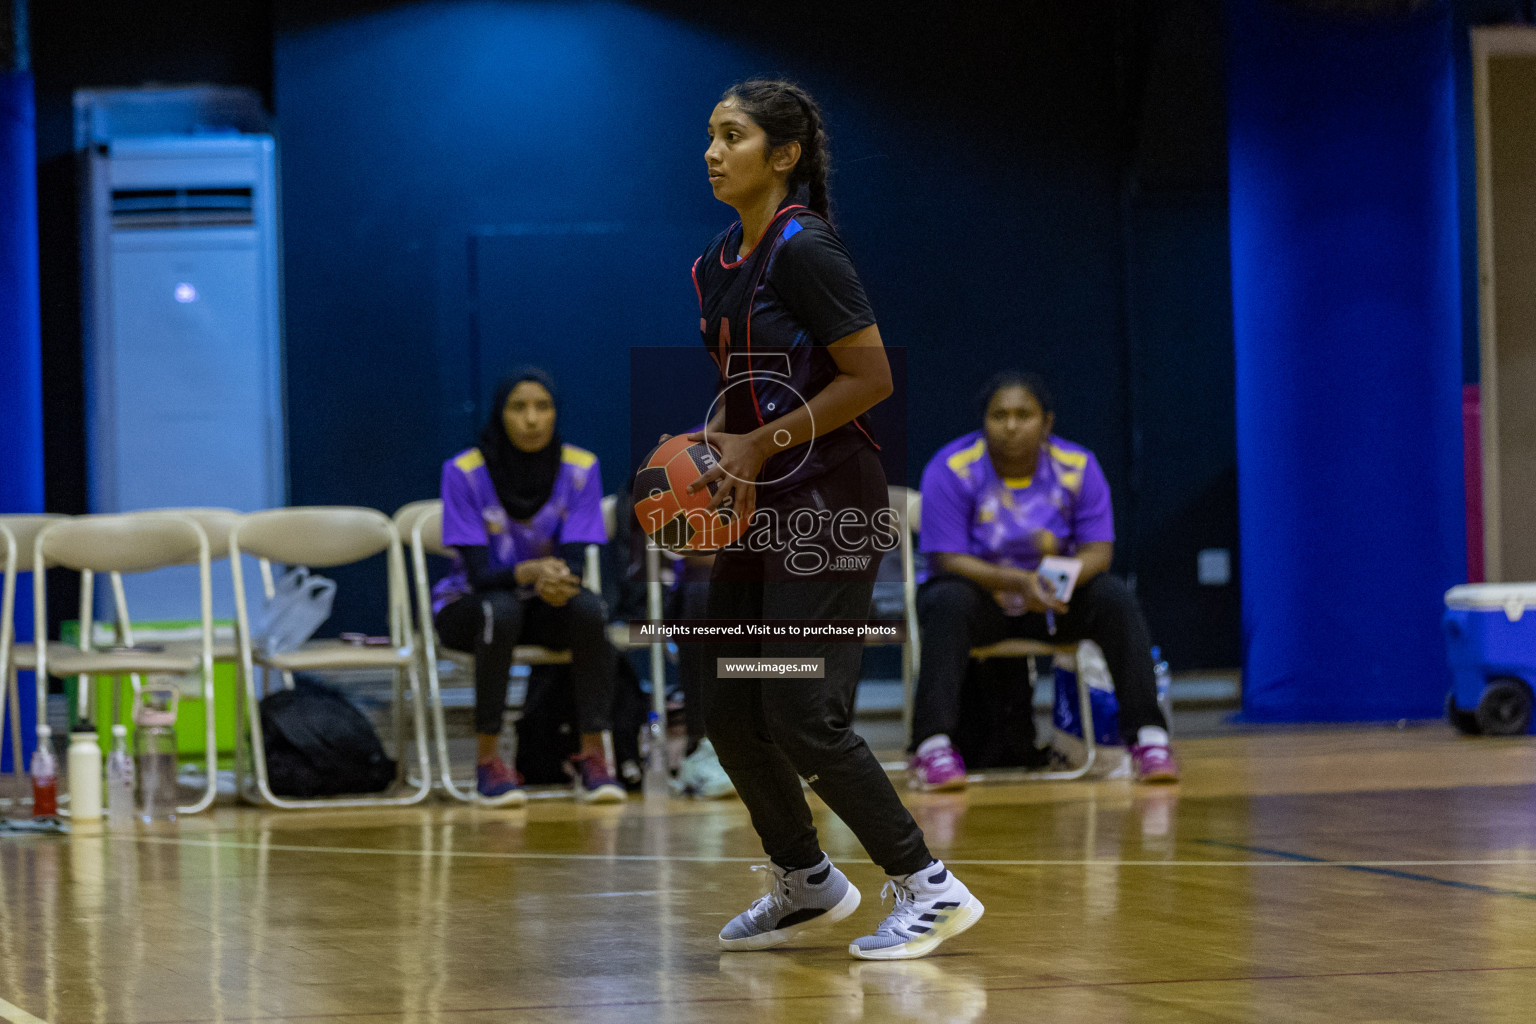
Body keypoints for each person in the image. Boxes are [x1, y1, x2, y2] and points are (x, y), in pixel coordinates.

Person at [686, 78, 983, 961]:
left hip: (828, 504)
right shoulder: (713, 263)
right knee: (727, 705)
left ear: (783, 156)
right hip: (761, 505)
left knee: (802, 711)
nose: (710, 151)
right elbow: (746, 392)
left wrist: (763, 441)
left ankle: (930, 887)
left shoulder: (804, 249)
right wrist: (713, 448)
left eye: (731, 136)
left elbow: (872, 379)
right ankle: (806, 878)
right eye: (708, 135)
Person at [909, 371, 1179, 789]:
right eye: (1000, 415)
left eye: (1023, 414)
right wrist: (1019, 582)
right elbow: (947, 557)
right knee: (946, 600)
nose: (1012, 425)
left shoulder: (1077, 467)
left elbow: (1098, 552)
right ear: (984, 423)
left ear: (1046, 422)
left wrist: (1051, 583)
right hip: (982, 602)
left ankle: (1150, 738)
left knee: (1113, 596)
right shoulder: (951, 468)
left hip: (1054, 601)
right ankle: (932, 747)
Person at [433, 368, 625, 805]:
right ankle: (488, 762)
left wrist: (558, 582)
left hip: (542, 602)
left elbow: (574, 561)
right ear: (500, 414)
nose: (533, 419)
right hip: (469, 606)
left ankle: (593, 756)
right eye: (519, 407)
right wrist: (531, 573)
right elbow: (480, 575)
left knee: (590, 610)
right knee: (499, 609)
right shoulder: (463, 472)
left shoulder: (581, 467)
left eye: (544, 406)